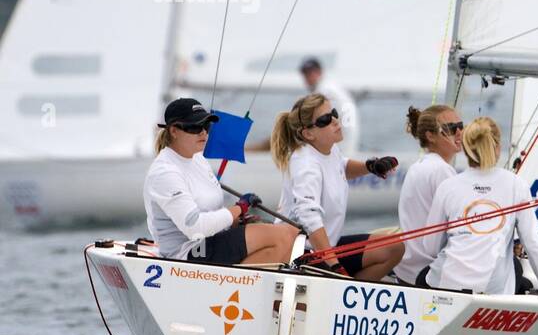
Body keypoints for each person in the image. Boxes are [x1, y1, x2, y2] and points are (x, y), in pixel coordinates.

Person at [418, 117, 538, 295]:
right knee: (517, 271)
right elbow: (532, 242)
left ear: (466, 149)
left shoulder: (447, 186)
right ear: (498, 148)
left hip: (446, 285)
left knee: (422, 277)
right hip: (493, 289)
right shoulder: (517, 184)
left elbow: (430, 247)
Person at [144, 98, 297, 264]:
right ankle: (236, 285)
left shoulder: (198, 160)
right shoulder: (165, 172)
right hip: (187, 252)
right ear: (174, 131)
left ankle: (239, 285)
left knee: (291, 234)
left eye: (207, 126)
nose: (203, 132)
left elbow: (210, 212)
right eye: (195, 127)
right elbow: (195, 227)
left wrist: (235, 221)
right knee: (282, 236)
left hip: (210, 242)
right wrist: (238, 209)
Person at [272, 93, 402, 280]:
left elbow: (341, 165)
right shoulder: (306, 164)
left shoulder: (329, 148)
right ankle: (347, 289)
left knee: (394, 248)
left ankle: (352, 291)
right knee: (390, 249)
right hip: (303, 255)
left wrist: (371, 166)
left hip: (326, 247)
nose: (334, 120)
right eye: (325, 119)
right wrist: (334, 265)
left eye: (333, 113)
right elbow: (308, 217)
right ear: (308, 133)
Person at [394, 103, 462, 284]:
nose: (459, 133)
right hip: (426, 272)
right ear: (430, 136)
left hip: (406, 271)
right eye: (451, 128)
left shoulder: (419, 166)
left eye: (461, 126)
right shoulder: (442, 171)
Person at [299, 56, 359, 156]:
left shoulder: (324, 91)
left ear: (320, 72)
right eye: (305, 74)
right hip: (346, 143)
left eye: (311, 73)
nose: (308, 78)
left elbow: (321, 123)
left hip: (340, 146)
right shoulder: (331, 86)